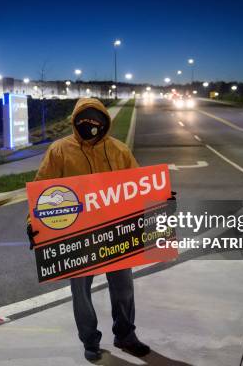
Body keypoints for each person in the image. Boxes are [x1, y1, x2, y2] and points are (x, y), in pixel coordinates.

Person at [27, 98, 163, 361]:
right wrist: (33, 223)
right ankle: (90, 341)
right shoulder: (59, 151)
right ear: (75, 121)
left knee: (123, 287)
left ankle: (126, 335)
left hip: (117, 232)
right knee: (81, 291)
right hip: (76, 235)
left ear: (105, 122)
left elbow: (139, 185)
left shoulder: (120, 151)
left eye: (96, 121)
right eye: (84, 120)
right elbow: (43, 189)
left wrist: (158, 203)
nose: (91, 126)